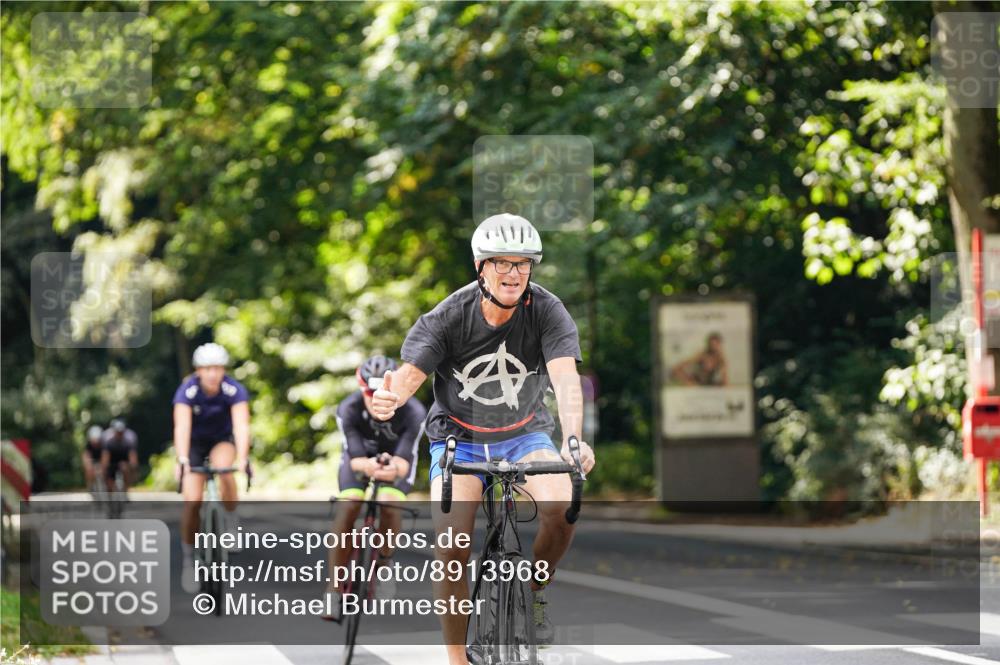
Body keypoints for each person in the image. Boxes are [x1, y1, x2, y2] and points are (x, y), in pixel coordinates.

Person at [370, 213, 596, 664]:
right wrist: (389, 400)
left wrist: (574, 440)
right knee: (452, 546)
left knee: (563, 507)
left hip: (525, 434)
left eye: (523, 263)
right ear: (480, 266)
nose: (513, 273)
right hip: (459, 438)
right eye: (502, 263)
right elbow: (409, 377)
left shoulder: (547, 310)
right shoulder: (449, 316)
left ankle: (534, 590)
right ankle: (457, 659)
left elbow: (566, 381)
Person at [321, 355, 427, 621]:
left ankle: (384, 563)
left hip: (396, 463)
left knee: (390, 504)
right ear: (361, 389)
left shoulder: (413, 411)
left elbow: (405, 460)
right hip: (360, 460)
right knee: (348, 507)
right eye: (369, 394)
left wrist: (392, 469)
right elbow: (354, 457)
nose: (375, 399)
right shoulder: (348, 408)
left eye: (382, 393)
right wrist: (368, 466)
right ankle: (333, 589)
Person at [172, 342, 251, 593]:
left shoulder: (233, 390)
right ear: (198, 371)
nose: (213, 374)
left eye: (218, 368)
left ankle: (230, 519)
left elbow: (241, 425)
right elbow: (182, 426)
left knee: (224, 467)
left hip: (221, 440)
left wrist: (244, 458)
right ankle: (189, 559)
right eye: (207, 369)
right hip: (194, 444)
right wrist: (182, 459)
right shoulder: (187, 391)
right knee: (193, 501)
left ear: (224, 369)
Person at [100, 419, 139, 491]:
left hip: (124, 463)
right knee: (109, 484)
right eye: (118, 432)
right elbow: (105, 458)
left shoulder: (128, 443)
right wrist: (104, 469)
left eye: (121, 432)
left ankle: (125, 489)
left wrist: (133, 467)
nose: (119, 434)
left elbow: (132, 457)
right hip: (111, 464)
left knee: (125, 468)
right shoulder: (109, 443)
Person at [82, 425, 105, 492]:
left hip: (101, 461)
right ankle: (90, 484)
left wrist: (102, 466)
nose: (95, 442)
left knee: (105, 470)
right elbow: (86, 456)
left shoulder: (104, 445)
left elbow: (105, 457)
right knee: (88, 469)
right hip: (92, 461)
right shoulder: (88, 445)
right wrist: (88, 465)